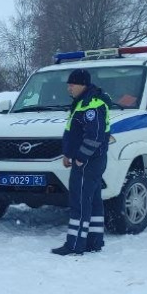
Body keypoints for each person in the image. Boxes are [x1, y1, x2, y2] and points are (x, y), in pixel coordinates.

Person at [52, 68, 112, 256]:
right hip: (88, 161)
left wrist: (80, 157)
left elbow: (94, 136)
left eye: (72, 84)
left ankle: (75, 244)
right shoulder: (82, 103)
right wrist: (67, 154)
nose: (69, 88)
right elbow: (75, 134)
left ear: (82, 85)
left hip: (87, 161)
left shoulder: (91, 105)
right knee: (93, 201)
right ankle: (93, 241)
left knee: (79, 201)